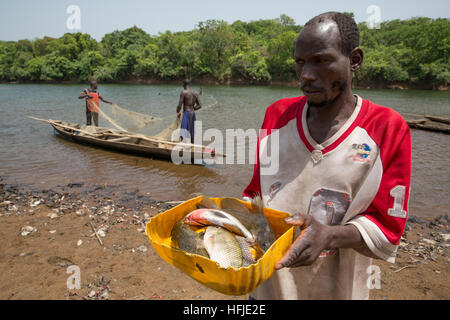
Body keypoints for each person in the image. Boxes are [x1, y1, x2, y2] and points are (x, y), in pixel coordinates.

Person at [243, 12, 411, 300]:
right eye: (300, 62)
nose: (306, 74)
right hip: (268, 286)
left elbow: (388, 227)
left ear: (354, 60)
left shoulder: (388, 128)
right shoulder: (277, 115)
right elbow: (257, 193)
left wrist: (330, 235)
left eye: (321, 60)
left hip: (338, 290)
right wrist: (227, 222)